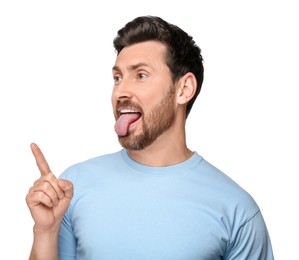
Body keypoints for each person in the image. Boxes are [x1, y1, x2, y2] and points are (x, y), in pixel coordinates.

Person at [26, 16, 274, 259]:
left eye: (141, 75)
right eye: (117, 78)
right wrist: (45, 231)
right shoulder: (72, 186)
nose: (120, 91)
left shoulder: (236, 209)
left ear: (184, 89)